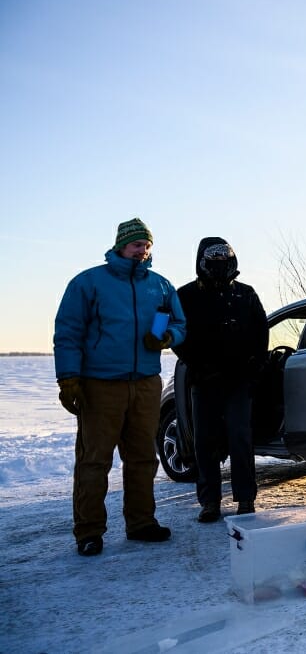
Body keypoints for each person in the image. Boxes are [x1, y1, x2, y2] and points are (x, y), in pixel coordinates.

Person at [53, 218, 186, 557]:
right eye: (136, 244)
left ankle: (141, 523)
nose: (142, 250)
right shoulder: (89, 282)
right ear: (120, 246)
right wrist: (69, 377)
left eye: (147, 245)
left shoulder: (160, 286)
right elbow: (68, 331)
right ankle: (89, 531)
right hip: (101, 384)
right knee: (94, 460)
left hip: (145, 383)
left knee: (143, 457)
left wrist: (168, 337)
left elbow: (179, 323)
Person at [172, 238, 268, 522]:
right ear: (202, 261)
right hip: (204, 379)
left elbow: (261, 333)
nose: (219, 263)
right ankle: (210, 501)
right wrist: (197, 364)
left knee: (240, 437)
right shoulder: (185, 295)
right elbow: (176, 333)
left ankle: (246, 499)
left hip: (239, 380)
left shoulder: (246, 294)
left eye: (224, 257)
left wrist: (254, 369)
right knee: (205, 441)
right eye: (212, 258)